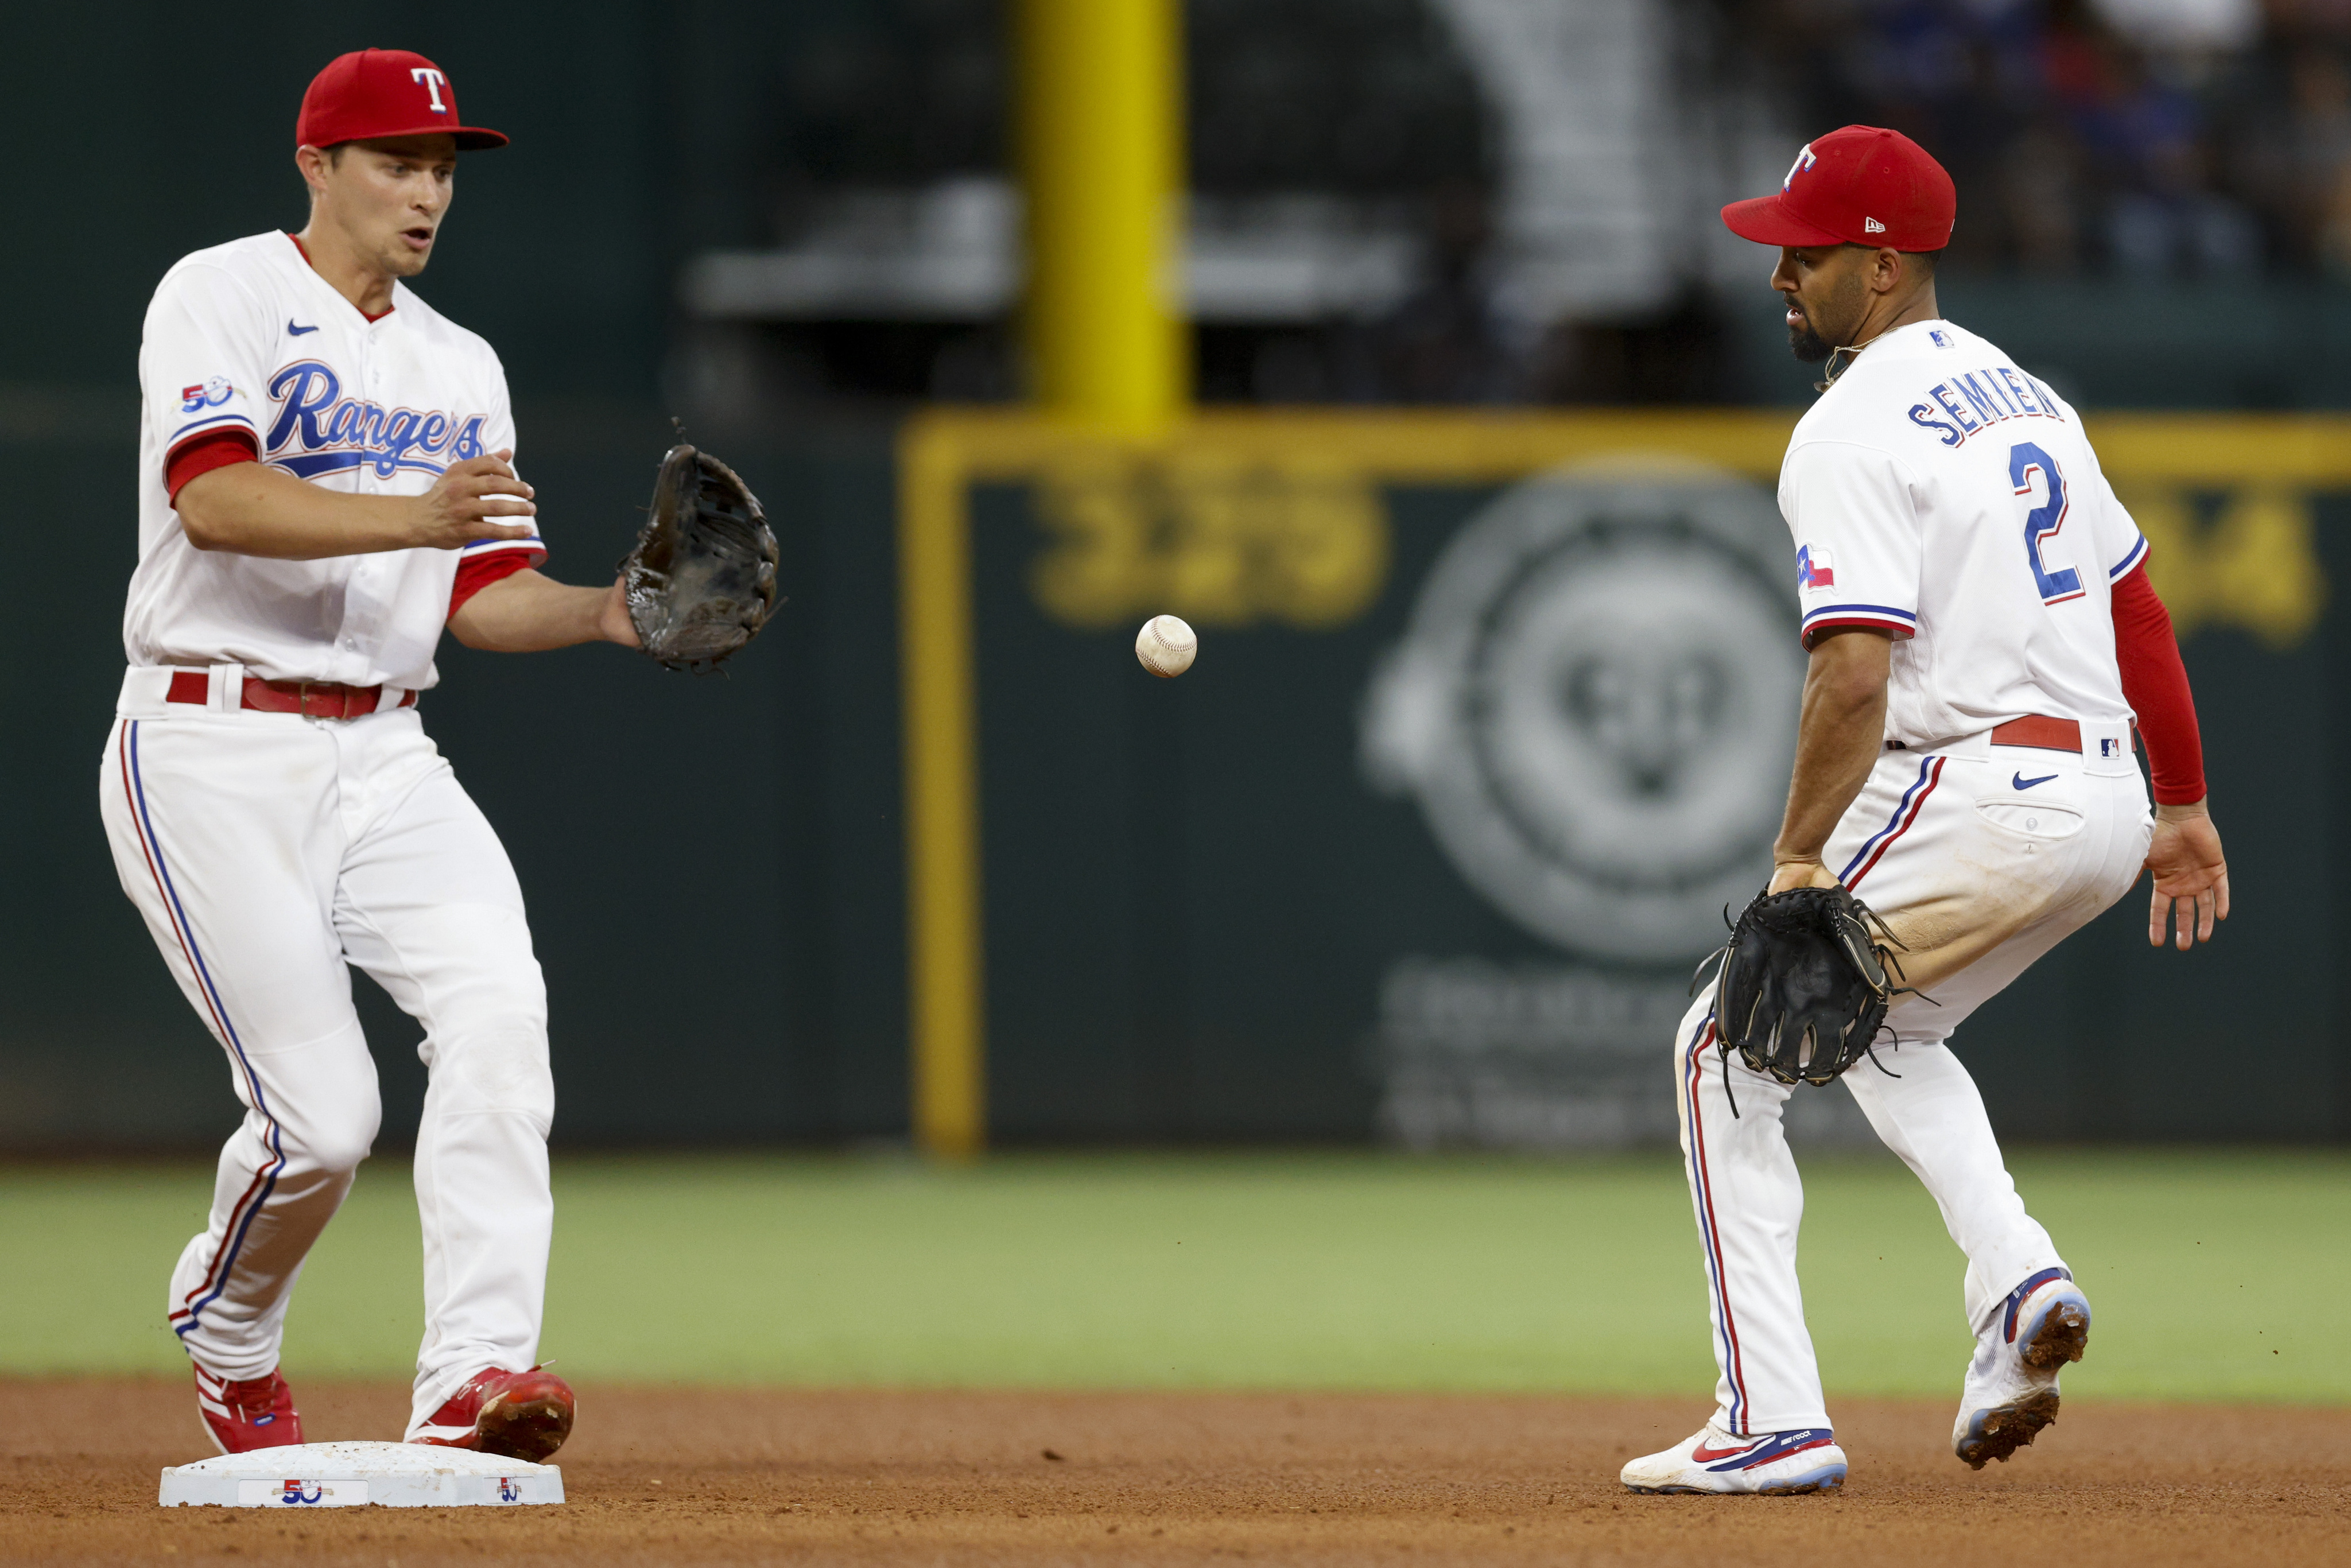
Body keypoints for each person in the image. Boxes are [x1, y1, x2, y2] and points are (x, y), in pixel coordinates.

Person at [1620, 126, 2230, 1495]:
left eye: (1808, 251)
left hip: (1983, 783)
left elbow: (1850, 674)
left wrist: (1792, 859)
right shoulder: (2028, 397)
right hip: (2101, 806)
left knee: (1719, 1048)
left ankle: (1765, 1417)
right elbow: (2134, 607)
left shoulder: (1844, 426)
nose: (1780, 271)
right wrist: (2180, 808)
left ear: (1881, 268)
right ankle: (2015, 1284)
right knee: (1883, 1026)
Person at [103, 48, 638, 1461]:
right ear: (317, 166)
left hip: (389, 755)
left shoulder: (462, 364)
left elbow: (483, 595)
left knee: (498, 1016)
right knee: (324, 1125)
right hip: (210, 743)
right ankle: (226, 1330)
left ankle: (473, 1377)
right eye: (398, 160)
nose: (427, 191)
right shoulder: (216, 292)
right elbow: (215, 502)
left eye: (444, 166)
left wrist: (608, 613)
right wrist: (415, 515)